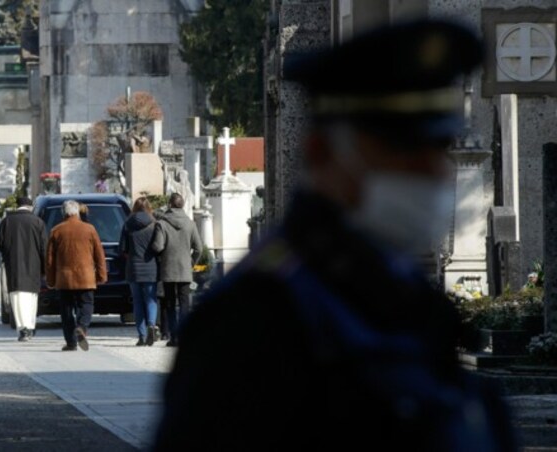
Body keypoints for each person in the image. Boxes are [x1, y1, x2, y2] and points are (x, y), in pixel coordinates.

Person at [151, 19, 519, 451]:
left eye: (438, 149)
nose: (431, 172)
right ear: (323, 153)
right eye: (401, 150)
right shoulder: (254, 317)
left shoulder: (404, 297)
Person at [46, 199, 107, 351]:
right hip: (86, 277)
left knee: (66, 310)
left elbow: (50, 260)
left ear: (63, 213)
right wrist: (101, 275)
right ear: (77, 212)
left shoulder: (56, 230)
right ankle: (82, 327)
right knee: (86, 304)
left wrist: (50, 280)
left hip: (64, 279)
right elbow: (99, 254)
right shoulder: (90, 229)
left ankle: (71, 342)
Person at [151, 193, 202, 347]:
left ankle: (173, 337)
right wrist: (191, 262)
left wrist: (155, 249)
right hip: (185, 269)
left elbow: (158, 246)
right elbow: (198, 248)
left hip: (168, 269)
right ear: (183, 204)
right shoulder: (190, 224)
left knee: (170, 304)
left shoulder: (162, 223)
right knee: (185, 304)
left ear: (169, 205)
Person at [0, 195, 48, 342]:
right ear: (30, 207)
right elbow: (44, 247)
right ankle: (30, 326)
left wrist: (7, 252)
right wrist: (45, 268)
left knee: (17, 298)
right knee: (32, 298)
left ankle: (23, 329)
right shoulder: (38, 222)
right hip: (34, 266)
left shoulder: (7, 222)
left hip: (14, 266)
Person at [118, 196, 159, 346]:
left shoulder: (127, 224)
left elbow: (122, 248)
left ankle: (141, 336)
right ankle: (151, 324)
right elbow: (158, 246)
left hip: (133, 267)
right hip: (150, 266)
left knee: (137, 302)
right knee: (150, 298)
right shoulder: (154, 224)